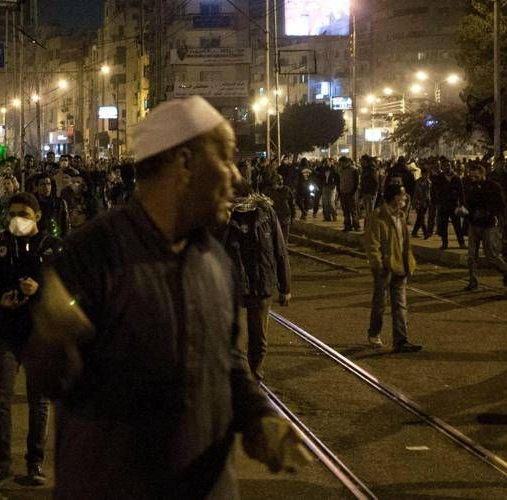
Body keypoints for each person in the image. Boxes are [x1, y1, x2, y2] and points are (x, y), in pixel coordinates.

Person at [24, 96, 310, 499]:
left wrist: (259, 417)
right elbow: (50, 379)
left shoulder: (214, 258)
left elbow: (226, 359)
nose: (235, 176)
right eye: (225, 159)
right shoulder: (94, 253)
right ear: (185, 164)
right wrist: (52, 339)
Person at [0, 192, 61, 495]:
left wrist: (38, 289)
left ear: (37, 216)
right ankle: (1, 462)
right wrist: (0, 298)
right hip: (7, 330)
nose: (17, 219)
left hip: (39, 333)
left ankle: (34, 461)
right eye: (13, 213)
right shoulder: (3, 246)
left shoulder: (51, 248)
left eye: (24, 213)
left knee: (39, 401)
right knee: (0, 398)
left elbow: (64, 288)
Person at [223, 181, 291, 380]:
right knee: (234, 338)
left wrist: (285, 286)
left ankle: (255, 376)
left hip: (261, 281)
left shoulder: (265, 212)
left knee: (259, 338)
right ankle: (240, 381)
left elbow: (280, 250)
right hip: (234, 285)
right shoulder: (224, 216)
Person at [364, 183, 422, 352]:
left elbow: (404, 243)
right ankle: (374, 333)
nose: (405, 198)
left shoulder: (401, 216)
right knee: (380, 303)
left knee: (400, 304)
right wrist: (378, 264)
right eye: (402, 195)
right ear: (395, 197)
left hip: (400, 266)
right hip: (384, 268)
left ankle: (401, 340)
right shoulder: (378, 216)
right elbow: (372, 243)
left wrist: (409, 261)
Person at [464, 164, 507, 291]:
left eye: (475, 176)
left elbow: (501, 205)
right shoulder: (470, 187)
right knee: (471, 255)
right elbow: (468, 204)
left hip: (489, 224)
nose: (473, 178)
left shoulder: (493, 187)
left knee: (491, 254)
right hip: (474, 223)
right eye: (471, 176)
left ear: (482, 174)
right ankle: (472, 280)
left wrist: (492, 214)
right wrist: (464, 211)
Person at [262, 174, 296, 242]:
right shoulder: (267, 191)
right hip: (273, 218)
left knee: (284, 239)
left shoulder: (287, 190)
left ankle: (284, 250)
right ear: (273, 182)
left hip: (285, 218)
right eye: (278, 181)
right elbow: (263, 205)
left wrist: (293, 216)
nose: (281, 182)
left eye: (281, 180)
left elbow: (292, 204)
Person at [338, 156, 360, 231]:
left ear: (345, 162)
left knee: (353, 210)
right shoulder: (340, 170)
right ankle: (347, 225)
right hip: (343, 192)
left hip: (351, 193)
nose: (340, 164)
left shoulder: (354, 170)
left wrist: (353, 192)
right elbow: (339, 181)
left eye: (341, 163)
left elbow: (356, 182)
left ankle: (356, 225)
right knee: (345, 210)